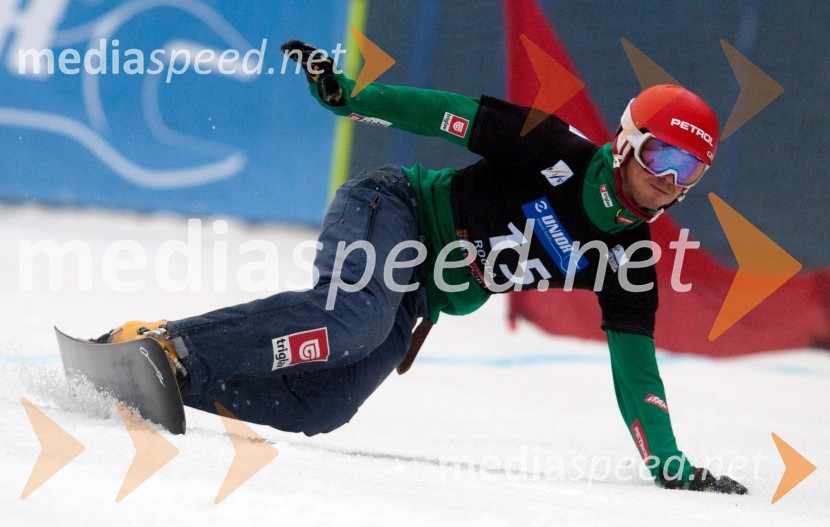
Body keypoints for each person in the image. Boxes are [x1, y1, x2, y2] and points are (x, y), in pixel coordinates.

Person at [98, 40, 747, 494]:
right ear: (627, 141)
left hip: (418, 298)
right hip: (393, 207)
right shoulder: (554, 148)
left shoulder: (630, 258)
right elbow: (444, 113)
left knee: (323, 404)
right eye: (661, 156)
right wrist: (353, 99)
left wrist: (668, 463)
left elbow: (637, 374)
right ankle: (170, 345)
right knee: (351, 319)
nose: (669, 180)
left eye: (688, 170)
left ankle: (160, 375)